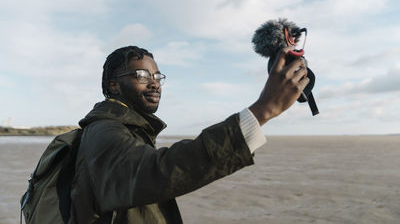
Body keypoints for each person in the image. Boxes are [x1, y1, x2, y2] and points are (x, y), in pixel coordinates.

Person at [69, 45, 309, 223]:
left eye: (156, 76)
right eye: (141, 76)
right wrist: (262, 111)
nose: (153, 83)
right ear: (113, 85)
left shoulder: (126, 130)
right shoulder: (104, 131)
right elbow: (159, 170)